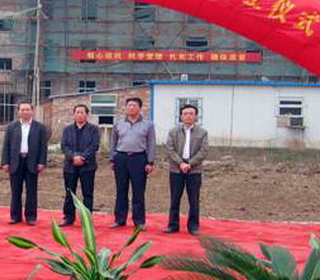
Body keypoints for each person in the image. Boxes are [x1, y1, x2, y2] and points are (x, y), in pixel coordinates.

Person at [109, 97, 156, 229]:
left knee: (138, 191)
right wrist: (112, 159)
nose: (131, 108)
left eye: (134, 105)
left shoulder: (148, 124)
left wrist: (150, 162)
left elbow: (151, 143)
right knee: (121, 190)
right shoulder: (119, 123)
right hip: (121, 158)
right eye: (129, 105)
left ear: (140, 108)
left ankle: (139, 221)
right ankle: (119, 219)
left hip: (139, 159)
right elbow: (113, 142)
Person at [1, 101, 48, 226]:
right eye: (22, 110)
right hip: (15, 162)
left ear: (32, 111)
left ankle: (31, 217)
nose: (25, 112)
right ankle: (15, 216)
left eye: (27, 109)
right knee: (16, 191)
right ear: (18, 111)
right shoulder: (12, 127)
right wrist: (5, 162)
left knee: (31, 191)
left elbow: (43, 147)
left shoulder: (40, 127)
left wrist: (42, 162)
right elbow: (6, 146)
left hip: (32, 162)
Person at [165, 104, 209, 235]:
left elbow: (203, 151)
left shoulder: (202, 132)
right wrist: (181, 163)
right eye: (185, 114)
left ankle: (193, 226)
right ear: (181, 116)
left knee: (193, 199)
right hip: (176, 169)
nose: (188, 116)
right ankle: (173, 225)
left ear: (196, 116)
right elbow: (170, 149)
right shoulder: (173, 132)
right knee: (174, 198)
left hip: (194, 170)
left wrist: (189, 164)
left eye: (191, 114)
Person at [59, 104, 100, 226]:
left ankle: (86, 218)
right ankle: (68, 217)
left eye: (82, 112)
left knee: (87, 193)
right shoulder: (67, 129)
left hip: (87, 165)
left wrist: (83, 157)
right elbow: (64, 146)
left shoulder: (93, 129)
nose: (80, 115)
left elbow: (94, 146)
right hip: (70, 165)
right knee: (69, 193)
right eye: (77, 112)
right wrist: (73, 157)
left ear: (87, 114)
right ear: (74, 114)